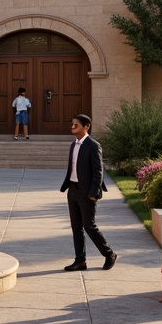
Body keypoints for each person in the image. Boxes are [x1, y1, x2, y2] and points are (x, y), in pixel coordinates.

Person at [59, 114, 118, 271]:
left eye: (76, 125)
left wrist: (94, 192)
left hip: (87, 193)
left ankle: (109, 253)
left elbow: (98, 171)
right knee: (76, 227)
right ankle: (80, 261)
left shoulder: (93, 145)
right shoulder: (74, 144)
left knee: (89, 226)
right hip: (73, 190)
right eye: (72, 124)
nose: (72, 127)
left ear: (86, 126)